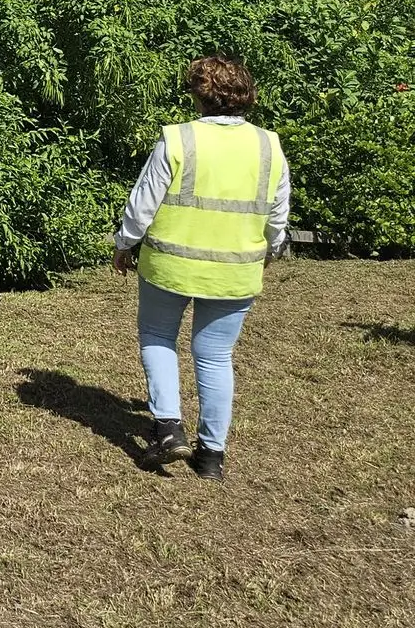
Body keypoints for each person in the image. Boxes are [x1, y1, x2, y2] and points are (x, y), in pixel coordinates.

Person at [113, 55, 289, 481]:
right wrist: (270, 249)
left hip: (170, 265)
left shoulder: (178, 139)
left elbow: (143, 203)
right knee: (215, 356)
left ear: (199, 95)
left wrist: (124, 243)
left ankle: (169, 428)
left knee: (158, 336)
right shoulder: (269, 145)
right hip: (236, 270)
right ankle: (211, 455)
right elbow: (277, 214)